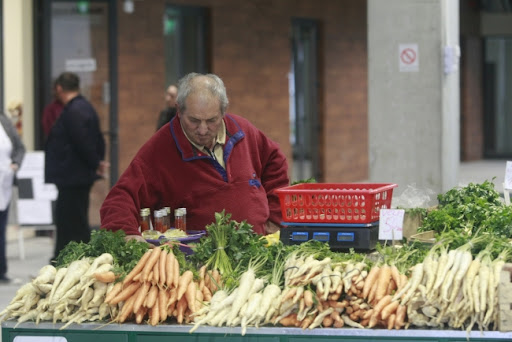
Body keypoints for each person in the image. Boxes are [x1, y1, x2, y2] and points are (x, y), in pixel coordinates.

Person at [101, 72, 289, 242]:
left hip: (257, 249)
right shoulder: (160, 148)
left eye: (212, 120)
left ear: (223, 111)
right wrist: (127, 234)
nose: (203, 129)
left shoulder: (242, 130)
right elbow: (121, 197)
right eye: (194, 120)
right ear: (179, 110)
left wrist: (274, 218)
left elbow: (275, 163)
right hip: (197, 262)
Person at [45, 72, 108, 262]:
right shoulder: (83, 107)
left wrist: (96, 163)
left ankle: (70, 259)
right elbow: (96, 140)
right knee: (71, 219)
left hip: (73, 177)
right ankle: (67, 258)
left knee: (70, 221)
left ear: (59, 89)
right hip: (75, 176)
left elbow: (83, 142)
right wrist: (97, 162)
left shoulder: (75, 110)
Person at [0, 111, 25, 283]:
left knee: (1, 228)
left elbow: (19, 147)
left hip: (4, 182)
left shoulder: (4, 121)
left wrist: (15, 163)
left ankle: (1, 270)